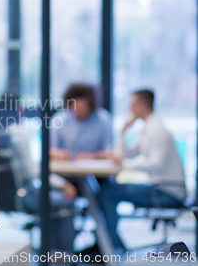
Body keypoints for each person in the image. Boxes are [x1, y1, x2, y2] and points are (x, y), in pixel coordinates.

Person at [99, 89, 186, 251]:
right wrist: (123, 131)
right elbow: (128, 153)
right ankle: (110, 243)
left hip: (168, 192)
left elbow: (155, 164)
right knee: (107, 189)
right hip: (158, 187)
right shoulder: (147, 128)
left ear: (143, 105)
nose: (130, 109)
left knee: (108, 193)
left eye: (132, 105)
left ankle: (111, 246)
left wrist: (124, 165)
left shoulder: (157, 130)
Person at [50, 83, 114, 161]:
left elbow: (109, 152)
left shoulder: (104, 119)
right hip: (64, 169)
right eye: (75, 106)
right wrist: (59, 154)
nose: (79, 110)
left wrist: (91, 156)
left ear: (90, 105)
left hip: (94, 170)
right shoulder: (59, 119)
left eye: (83, 107)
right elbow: (50, 149)